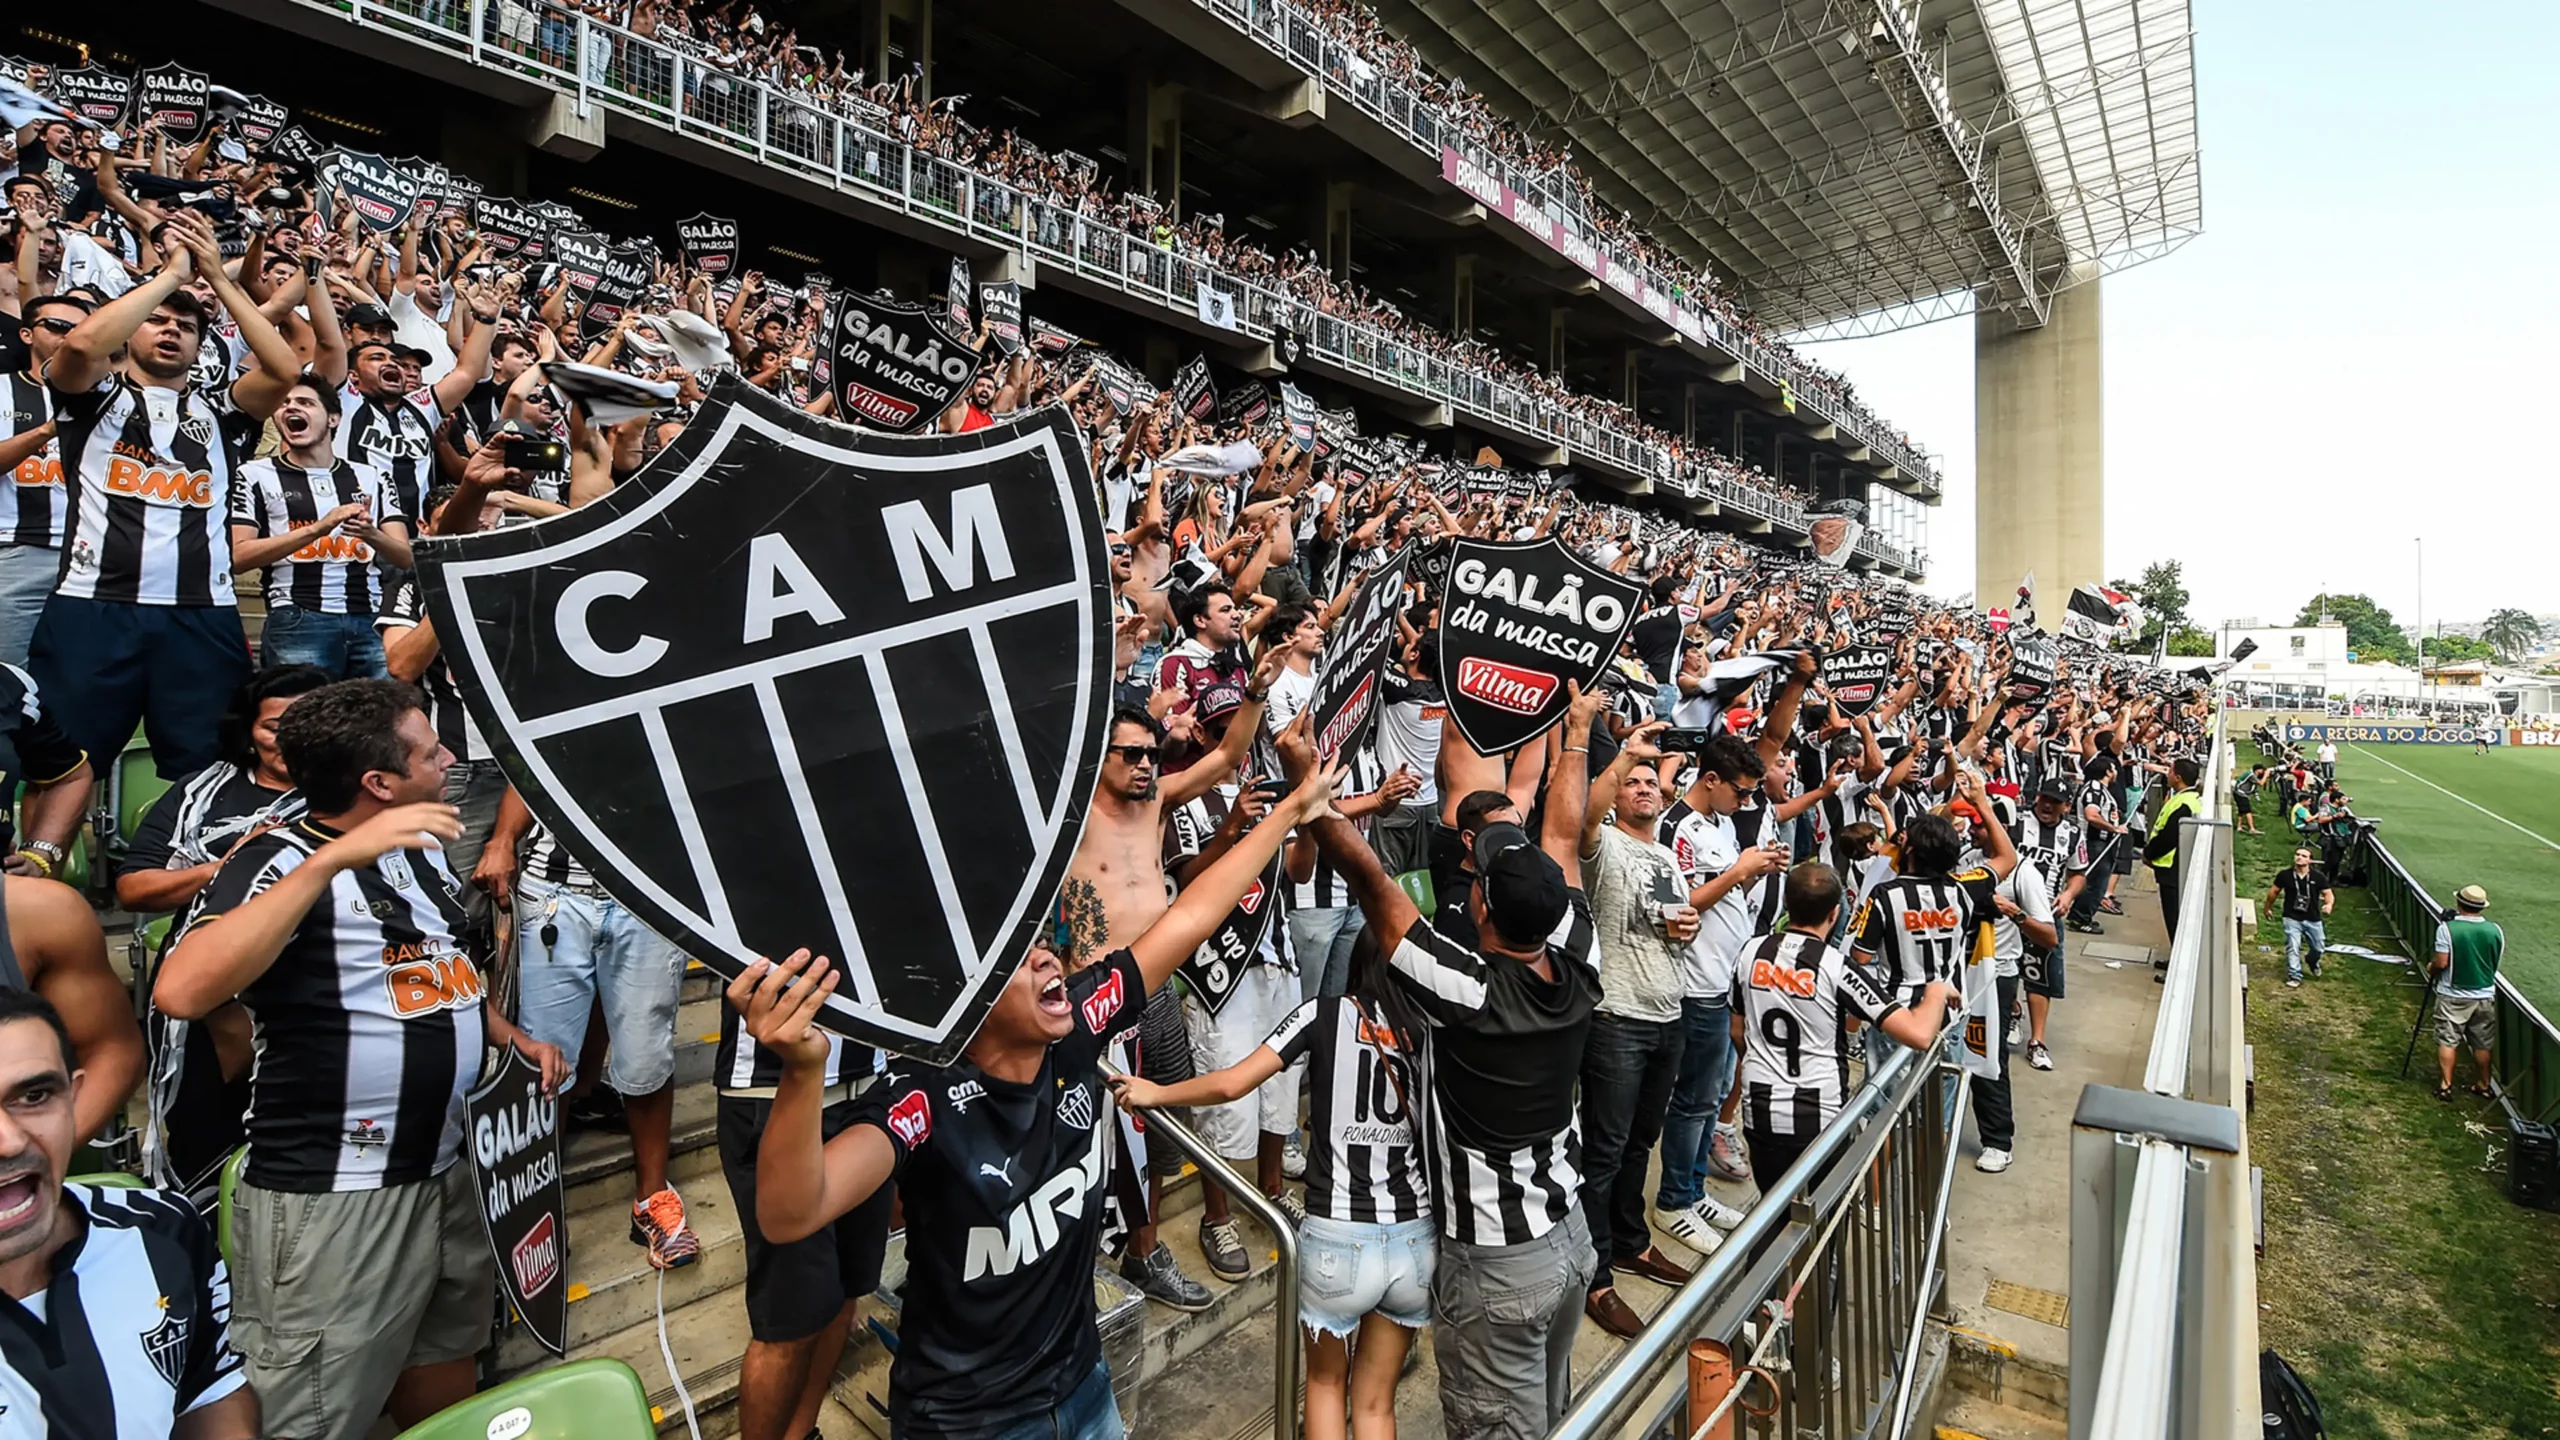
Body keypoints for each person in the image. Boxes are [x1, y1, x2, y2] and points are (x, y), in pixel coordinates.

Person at [731, 757, 1339, 1440]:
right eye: (1020, 958)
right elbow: (791, 1216)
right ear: (971, 1003)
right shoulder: (922, 1099)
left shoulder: (1078, 1025)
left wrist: (1291, 811)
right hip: (969, 1423)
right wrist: (803, 1075)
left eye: (1045, 944)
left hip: (1085, 1391)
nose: (1051, 958)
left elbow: (1193, 915)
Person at [153, 679, 567, 1440]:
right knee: (311, 1410)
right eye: (429, 749)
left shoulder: (423, 851)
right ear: (379, 781)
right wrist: (327, 863)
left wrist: (508, 1037)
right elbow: (180, 988)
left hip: (449, 1169)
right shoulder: (278, 857)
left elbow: (441, 975)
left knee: (444, 1360)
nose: (449, 758)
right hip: (339, 1193)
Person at [1288, 683, 1603, 1440]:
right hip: (1570, 1237)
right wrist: (1579, 733)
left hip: (1498, 1261)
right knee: (1546, 1416)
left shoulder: (1467, 990)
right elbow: (1561, 840)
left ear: (1484, 909)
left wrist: (1311, 787)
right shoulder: (1580, 957)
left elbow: (1374, 888)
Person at [1109, 939, 1434, 1440]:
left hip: (1338, 1242)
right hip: (1415, 1241)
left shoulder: (1321, 1014)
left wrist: (1157, 1092)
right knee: (1375, 1404)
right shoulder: (1430, 1031)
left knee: (1325, 1384)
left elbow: (1231, 1084)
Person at [30, 210, 296, 778]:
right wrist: (171, 277)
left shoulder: (222, 411)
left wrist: (219, 281)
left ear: (202, 344)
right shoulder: (94, 398)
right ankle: (43, 863)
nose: (172, 328)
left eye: (186, 325)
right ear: (131, 332)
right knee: (64, 763)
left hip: (202, 613)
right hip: (93, 606)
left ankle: (182, 863)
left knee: (211, 766)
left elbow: (283, 367)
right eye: (156, 321)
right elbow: (79, 345)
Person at [0, 990, 259, 1439]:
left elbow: (208, 1388)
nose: (8, 1141)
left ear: (73, 1098)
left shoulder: (163, 1230)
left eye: (35, 1095)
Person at [120, 665, 331, 1194]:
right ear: (248, 730)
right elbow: (135, 887)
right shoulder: (202, 794)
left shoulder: (355, 799)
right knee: (204, 1136)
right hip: (208, 994)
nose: (290, 739)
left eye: (310, 722)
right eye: (274, 726)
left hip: (314, 991)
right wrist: (230, 869)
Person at [479, 798, 700, 1268]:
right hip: (553, 893)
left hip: (654, 894)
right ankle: (536, 1206)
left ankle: (651, 1200)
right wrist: (502, 839)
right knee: (545, 1060)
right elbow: (529, 767)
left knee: (647, 1055)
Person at [712, 997, 891, 1440]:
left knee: (850, 1286)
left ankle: (802, 1430)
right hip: (770, 1087)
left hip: (871, 1081)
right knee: (789, 1318)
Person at [1572, 721, 1698, 1337]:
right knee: (1604, 1149)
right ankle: (1596, 1275)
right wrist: (1626, 756)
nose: (1645, 788)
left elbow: (1675, 917)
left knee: (1639, 1145)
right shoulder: (1605, 846)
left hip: (1667, 1012)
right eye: (1634, 783)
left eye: (1653, 782)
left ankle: (1630, 1241)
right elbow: (1586, 814)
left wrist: (1687, 926)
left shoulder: (1667, 853)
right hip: (1617, 1017)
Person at [1732, 863, 1956, 1183]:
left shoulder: (1750, 952)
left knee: (1772, 1215)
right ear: (1834, 914)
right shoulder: (1836, 967)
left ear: (1787, 905)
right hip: (1818, 1117)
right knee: (1825, 1221)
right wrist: (1935, 991)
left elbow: (1737, 1030)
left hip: (1760, 1112)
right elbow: (1919, 1035)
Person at [228, 379, 413, 677]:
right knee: (304, 720)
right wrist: (318, 529)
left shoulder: (373, 476)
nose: (291, 407)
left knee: (380, 720)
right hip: (297, 616)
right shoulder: (253, 474)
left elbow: (405, 557)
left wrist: (371, 535)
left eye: (305, 402)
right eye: (284, 403)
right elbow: (239, 558)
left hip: (370, 617)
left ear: (333, 418)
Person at [0, 293, 87, 668]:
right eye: (56, 326)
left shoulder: (111, 397)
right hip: (17, 549)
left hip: (93, 558)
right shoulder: (2, 388)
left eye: (80, 329)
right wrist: (49, 430)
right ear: (26, 335)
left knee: (81, 681)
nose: (68, 336)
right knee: (9, 680)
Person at [1970, 799, 2055, 1175]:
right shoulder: (1965, 859)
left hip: (1996, 977)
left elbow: (2049, 936)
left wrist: (2013, 913)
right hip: (1957, 976)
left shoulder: (2024, 874)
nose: (1972, 831)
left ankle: (1997, 1141)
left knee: (1987, 1057)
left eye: (1979, 824)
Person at [2009, 781, 2088, 1071]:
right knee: (2003, 968)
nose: (2047, 805)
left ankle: (2037, 1041)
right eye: (2044, 798)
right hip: (2009, 908)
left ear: (2066, 806)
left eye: (2055, 802)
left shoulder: (2072, 834)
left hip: (2045, 914)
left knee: (2039, 974)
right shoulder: (2016, 821)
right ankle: (2012, 1011)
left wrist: (2068, 894)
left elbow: (2079, 874)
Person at [2431, 885, 2503, 1101]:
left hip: (2453, 994)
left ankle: (2446, 1085)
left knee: (2448, 1038)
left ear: (2459, 904)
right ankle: (2484, 1084)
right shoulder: (2495, 930)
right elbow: (2494, 962)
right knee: (2482, 1042)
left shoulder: (2447, 929)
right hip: (2484, 994)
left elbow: (2441, 962)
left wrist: (2430, 969)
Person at [2142, 757, 2205, 942]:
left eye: (2169, 771)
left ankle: (2177, 964)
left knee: (2174, 918)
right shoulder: (2187, 798)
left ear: (2178, 777)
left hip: (2171, 867)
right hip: (2173, 866)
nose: (2166, 773)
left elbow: (2168, 837)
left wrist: (2148, 854)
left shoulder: (2184, 804)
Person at [2266, 847, 2331, 989]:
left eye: (2304, 855)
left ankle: (2312, 961)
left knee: (2319, 947)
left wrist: (2329, 905)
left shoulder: (2318, 877)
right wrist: (2268, 907)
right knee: (2293, 946)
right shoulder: (2285, 875)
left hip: (2312, 918)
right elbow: (2274, 892)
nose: (2299, 857)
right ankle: (2295, 975)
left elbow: (2328, 893)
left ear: (2309, 860)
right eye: (2297, 854)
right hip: (2292, 917)